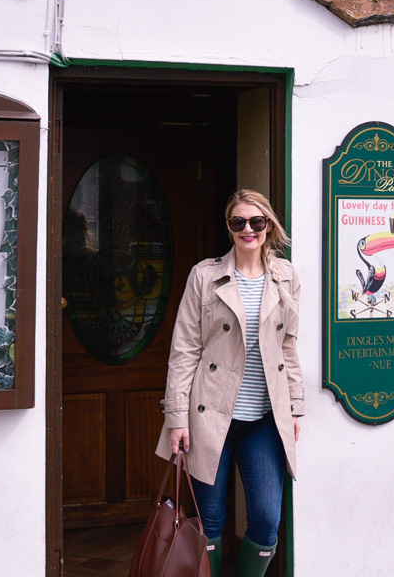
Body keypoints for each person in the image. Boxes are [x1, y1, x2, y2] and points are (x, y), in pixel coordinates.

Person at [155, 189, 303, 577]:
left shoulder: (286, 276)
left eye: (257, 221)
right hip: (209, 418)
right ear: (229, 227)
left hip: (264, 419)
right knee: (211, 522)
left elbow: (288, 346)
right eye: (238, 222)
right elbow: (184, 349)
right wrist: (177, 419)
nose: (248, 230)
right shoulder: (205, 276)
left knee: (268, 520)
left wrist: (295, 407)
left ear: (269, 225)